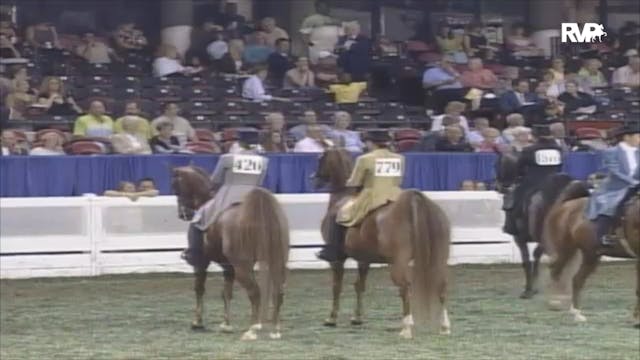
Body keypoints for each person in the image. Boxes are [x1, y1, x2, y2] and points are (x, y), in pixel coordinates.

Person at [182, 131, 269, 266]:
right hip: (253, 196)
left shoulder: (227, 158)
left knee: (198, 219)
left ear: (239, 143)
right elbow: (260, 181)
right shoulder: (263, 161)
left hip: (229, 194)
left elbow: (216, 180)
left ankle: (194, 252)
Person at [317, 130, 404, 261]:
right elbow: (398, 181)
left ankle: (334, 250)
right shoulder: (399, 158)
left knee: (338, 213)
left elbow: (355, 181)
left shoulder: (365, 159)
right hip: (396, 196)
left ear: (371, 143)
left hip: (372, 196)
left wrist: (349, 182)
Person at [503, 125, 564, 236]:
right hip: (556, 181)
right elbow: (560, 165)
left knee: (515, 198)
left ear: (534, 136)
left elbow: (520, 167)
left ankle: (511, 226)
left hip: (535, 182)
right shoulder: (558, 149)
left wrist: (519, 177)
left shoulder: (529, 150)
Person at [586, 124, 640, 247]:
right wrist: (632, 182)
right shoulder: (611, 152)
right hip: (616, 187)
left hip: (637, 185)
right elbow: (615, 172)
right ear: (627, 137)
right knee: (610, 205)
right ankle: (604, 235)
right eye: (638, 136)